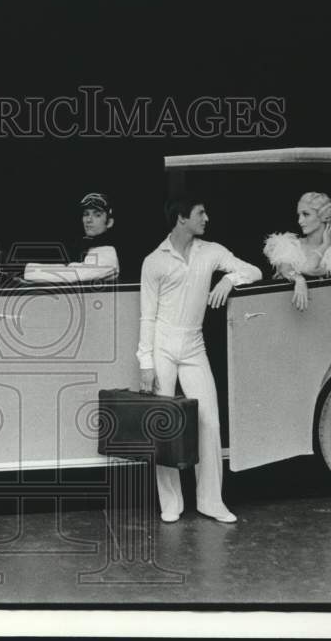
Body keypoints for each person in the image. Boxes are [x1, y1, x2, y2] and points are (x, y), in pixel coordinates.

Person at [137, 196, 262, 523]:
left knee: (209, 420)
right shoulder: (154, 261)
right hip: (162, 346)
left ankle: (210, 500)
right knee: (164, 424)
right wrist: (145, 363)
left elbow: (253, 270)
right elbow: (146, 318)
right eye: (200, 213)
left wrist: (228, 279)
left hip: (194, 345)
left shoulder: (212, 251)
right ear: (181, 218)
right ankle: (171, 502)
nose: (206, 217)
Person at [263, 192, 331, 311]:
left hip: (326, 315)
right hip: (285, 313)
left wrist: (324, 246)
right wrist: (299, 279)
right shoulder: (289, 245)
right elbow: (286, 269)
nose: (300, 221)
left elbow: (310, 269)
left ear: (325, 217)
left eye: (306, 214)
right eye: (299, 215)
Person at [23, 192, 119, 283]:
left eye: (97, 215)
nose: (89, 220)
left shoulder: (108, 252)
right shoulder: (88, 248)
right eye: (86, 214)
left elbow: (74, 274)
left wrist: (26, 271)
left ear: (109, 222)